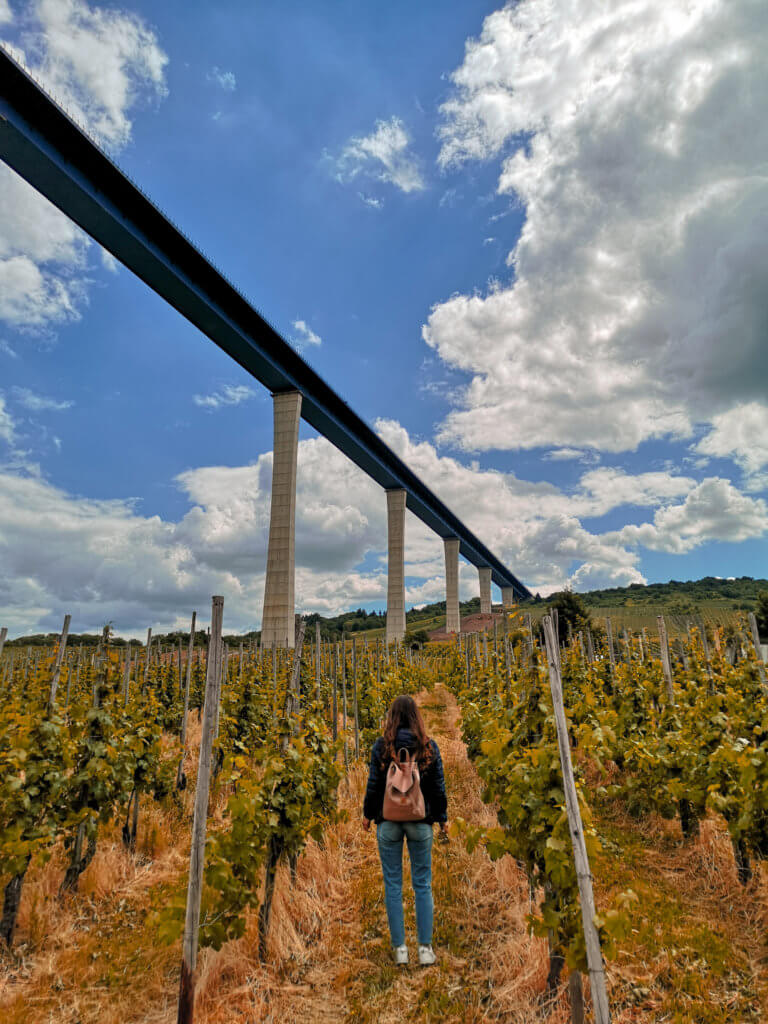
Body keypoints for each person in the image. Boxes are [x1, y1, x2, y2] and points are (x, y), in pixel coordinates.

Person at [362, 695, 448, 966]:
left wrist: (367, 814)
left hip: (388, 820)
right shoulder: (428, 746)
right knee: (422, 883)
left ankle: (400, 949)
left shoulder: (382, 746)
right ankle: (424, 949)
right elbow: (437, 787)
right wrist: (442, 818)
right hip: (420, 820)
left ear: (392, 717)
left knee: (393, 884)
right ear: (416, 717)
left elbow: (374, 785)